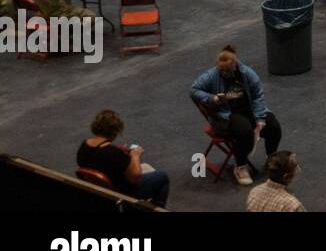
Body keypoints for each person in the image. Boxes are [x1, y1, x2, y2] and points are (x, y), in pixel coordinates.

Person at [190, 44, 283, 186]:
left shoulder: (247, 73)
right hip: (227, 115)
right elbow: (193, 90)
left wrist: (260, 118)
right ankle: (240, 167)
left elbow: (258, 96)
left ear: (236, 65)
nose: (224, 73)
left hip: (249, 110)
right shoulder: (211, 75)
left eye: (228, 70)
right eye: (221, 69)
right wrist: (212, 98)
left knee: (274, 126)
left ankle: (271, 157)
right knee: (244, 131)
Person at [77, 110, 169, 206]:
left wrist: (119, 150)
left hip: (100, 187)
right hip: (123, 191)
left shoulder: (84, 145)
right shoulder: (114, 153)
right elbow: (135, 177)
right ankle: (159, 208)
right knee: (162, 176)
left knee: (146, 166)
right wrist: (135, 155)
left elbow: (98, 159)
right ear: (116, 130)